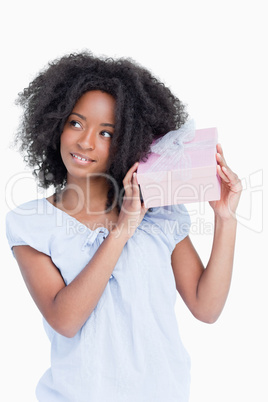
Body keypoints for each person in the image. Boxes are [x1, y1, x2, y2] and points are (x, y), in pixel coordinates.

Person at [6, 51, 242, 402]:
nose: (85, 141)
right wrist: (123, 229)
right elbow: (65, 320)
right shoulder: (31, 224)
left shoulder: (159, 211)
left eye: (106, 132)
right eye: (75, 123)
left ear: (128, 141)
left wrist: (225, 219)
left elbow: (205, 308)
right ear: (54, 123)